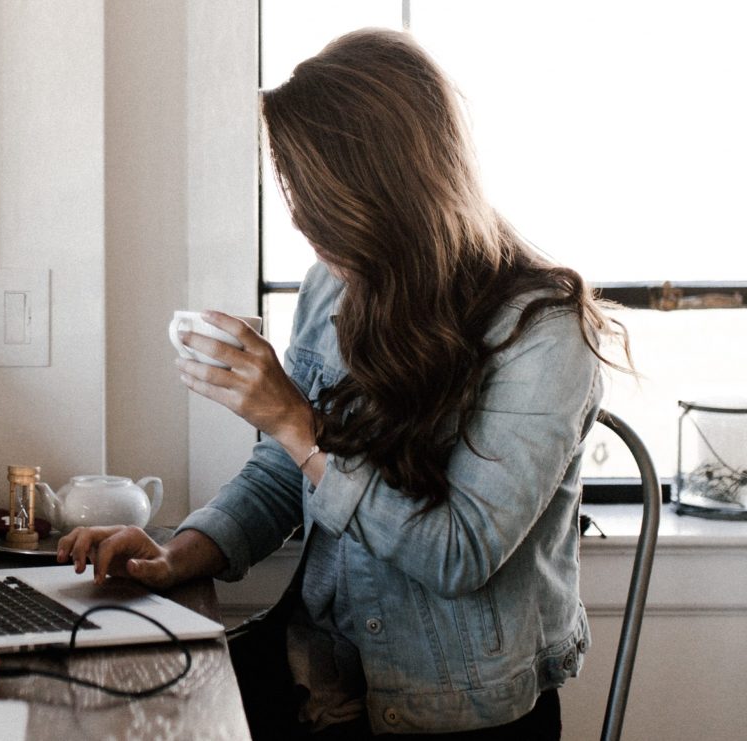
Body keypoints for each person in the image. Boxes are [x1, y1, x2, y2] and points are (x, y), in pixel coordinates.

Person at [57, 28, 628, 739]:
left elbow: (460, 552)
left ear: (388, 193)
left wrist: (297, 421)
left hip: (451, 708)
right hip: (321, 667)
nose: (303, 223)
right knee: (113, 704)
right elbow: (283, 474)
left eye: (318, 202)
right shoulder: (338, 284)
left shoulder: (544, 332)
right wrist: (176, 553)